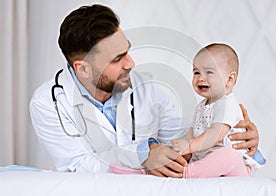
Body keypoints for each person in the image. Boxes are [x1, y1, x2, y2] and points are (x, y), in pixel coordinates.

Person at [29, 4, 262, 178]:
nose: (130, 63)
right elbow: (79, 165)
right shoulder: (48, 103)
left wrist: (240, 141)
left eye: (127, 51)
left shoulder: (153, 89)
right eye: (118, 58)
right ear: (84, 69)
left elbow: (184, 144)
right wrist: (142, 155)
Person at [170, 43, 263, 178]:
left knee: (228, 155)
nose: (201, 78)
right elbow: (193, 131)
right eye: (196, 72)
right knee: (192, 157)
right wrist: (185, 151)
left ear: (229, 79)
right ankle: (188, 169)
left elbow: (216, 133)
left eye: (209, 72)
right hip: (209, 164)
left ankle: (185, 173)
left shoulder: (227, 104)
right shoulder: (201, 106)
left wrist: (189, 146)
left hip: (234, 168)